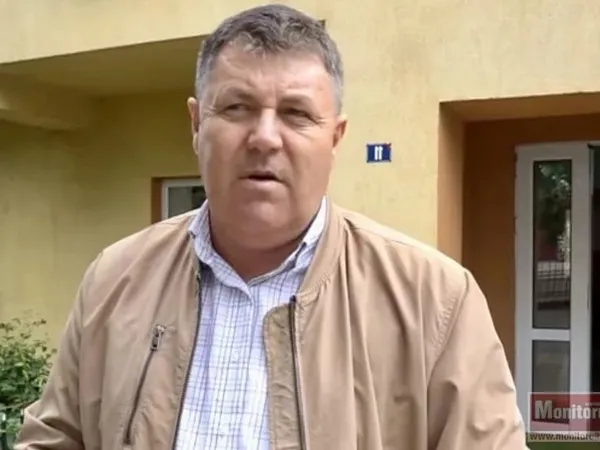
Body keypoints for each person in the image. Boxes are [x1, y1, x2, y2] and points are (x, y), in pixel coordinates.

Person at [15, 4, 528, 450]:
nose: (264, 138)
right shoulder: (114, 280)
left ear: (335, 138)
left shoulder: (435, 301)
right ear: (196, 124)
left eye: (296, 113)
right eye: (237, 108)